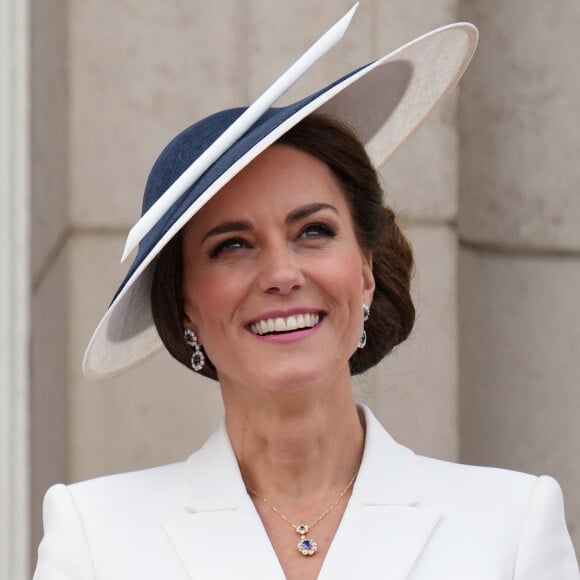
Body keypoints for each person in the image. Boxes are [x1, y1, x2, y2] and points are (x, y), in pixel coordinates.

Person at [34, 8, 579, 580]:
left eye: (313, 232)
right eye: (232, 246)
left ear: (365, 270)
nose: (282, 273)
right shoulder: (97, 538)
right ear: (185, 305)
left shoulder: (510, 527)